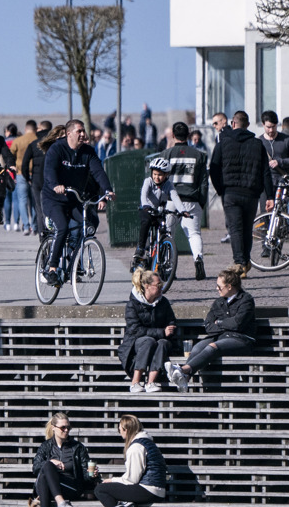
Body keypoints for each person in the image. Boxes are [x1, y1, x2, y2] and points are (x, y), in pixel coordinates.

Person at [40, 120, 114, 286]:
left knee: (90, 223)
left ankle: (73, 263)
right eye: (79, 131)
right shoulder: (57, 149)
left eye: (83, 131)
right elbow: (49, 171)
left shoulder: (88, 151)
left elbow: (98, 171)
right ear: (69, 134)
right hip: (54, 199)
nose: (82, 134)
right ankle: (51, 269)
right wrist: (55, 185)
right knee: (63, 227)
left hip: (75, 199)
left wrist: (107, 190)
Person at [164, 267, 256, 393]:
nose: (216, 289)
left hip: (241, 339)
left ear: (229, 287)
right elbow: (208, 325)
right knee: (197, 348)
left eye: (219, 286)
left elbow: (237, 324)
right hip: (220, 337)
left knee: (212, 346)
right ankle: (185, 377)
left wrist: (219, 322)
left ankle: (182, 370)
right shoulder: (218, 302)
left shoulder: (246, 300)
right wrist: (223, 325)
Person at [209, 111, 269, 274]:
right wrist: (269, 195)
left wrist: (220, 188)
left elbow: (213, 168)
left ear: (233, 124)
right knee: (247, 229)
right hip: (251, 193)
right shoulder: (258, 144)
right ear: (248, 125)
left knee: (235, 229)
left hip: (230, 192)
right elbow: (265, 172)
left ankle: (240, 262)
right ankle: (245, 261)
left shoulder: (223, 143)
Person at [94, 414, 167, 507]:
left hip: (149, 490)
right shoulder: (147, 442)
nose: (119, 433)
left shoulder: (136, 447)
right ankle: (126, 503)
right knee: (116, 489)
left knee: (100, 489)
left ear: (126, 429)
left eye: (119, 430)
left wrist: (112, 480)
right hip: (156, 489)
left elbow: (132, 479)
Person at [30, 411, 97, 507]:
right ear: (54, 428)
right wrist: (52, 462)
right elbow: (35, 468)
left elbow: (84, 473)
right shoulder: (46, 446)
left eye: (68, 427)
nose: (66, 430)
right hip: (48, 486)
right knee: (47, 466)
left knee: (46, 473)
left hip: (70, 486)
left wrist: (91, 475)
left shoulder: (77, 447)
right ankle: (60, 503)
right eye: (63, 428)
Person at [160, 122, 210, 280]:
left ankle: (169, 268)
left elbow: (159, 180)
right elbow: (203, 182)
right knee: (194, 234)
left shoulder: (166, 154)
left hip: (170, 200)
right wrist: (201, 202)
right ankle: (198, 258)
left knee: (168, 234)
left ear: (173, 136)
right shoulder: (199, 155)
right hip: (191, 199)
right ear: (188, 135)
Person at [118, 269, 177, 393]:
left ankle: (151, 382)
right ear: (147, 286)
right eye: (158, 285)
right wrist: (161, 332)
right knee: (148, 341)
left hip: (160, 341)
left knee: (162, 343)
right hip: (136, 343)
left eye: (161, 284)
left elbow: (171, 320)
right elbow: (135, 330)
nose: (161, 287)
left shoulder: (163, 302)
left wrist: (170, 328)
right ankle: (135, 382)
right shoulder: (132, 304)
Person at [133, 157, 196, 272]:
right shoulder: (148, 181)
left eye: (160, 175)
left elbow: (175, 197)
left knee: (164, 228)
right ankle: (141, 248)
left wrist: (183, 210)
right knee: (146, 222)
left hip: (159, 211)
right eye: (155, 174)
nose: (157, 177)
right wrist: (146, 205)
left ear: (166, 175)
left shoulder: (168, 185)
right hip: (146, 209)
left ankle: (162, 256)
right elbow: (143, 195)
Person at [259, 110, 289, 221]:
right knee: (265, 213)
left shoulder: (286, 140)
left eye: (273, 127)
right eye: (268, 127)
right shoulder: (259, 142)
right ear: (263, 124)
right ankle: (266, 234)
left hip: (282, 181)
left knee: (281, 213)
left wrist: (280, 162)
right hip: (264, 183)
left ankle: (281, 234)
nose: (271, 130)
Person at [21, 120, 55, 234]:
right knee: (52, 206)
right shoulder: (55, 143)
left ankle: (42, 233)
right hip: (52, 179)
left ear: (40, 129)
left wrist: (27, 178)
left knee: (39, 208)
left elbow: (24, 164)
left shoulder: (33, 144)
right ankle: (52, 231)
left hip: (36, 179)